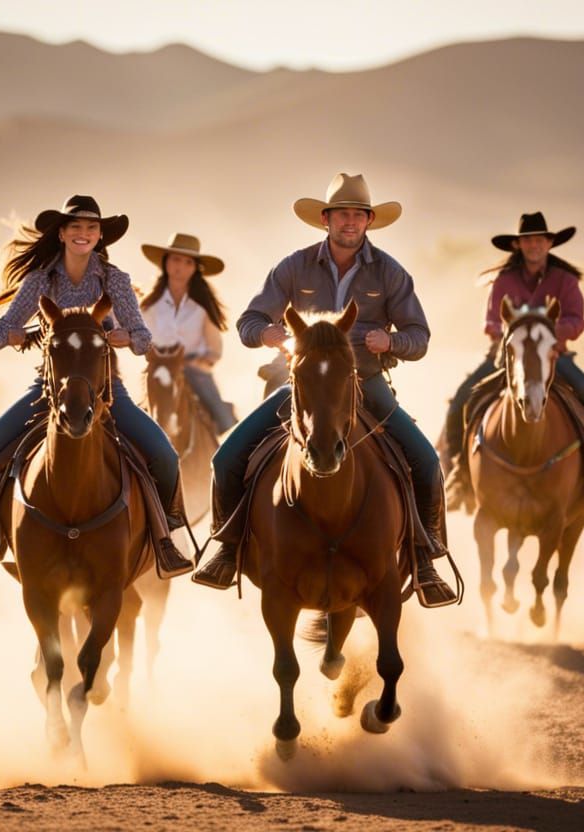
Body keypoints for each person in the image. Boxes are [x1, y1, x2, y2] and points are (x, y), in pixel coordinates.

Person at [192, 173, 457, 606]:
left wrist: (392, 342)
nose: (349, 222)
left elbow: (420, 337)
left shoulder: (390, 273)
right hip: (299, 384)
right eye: (341, 215)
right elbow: (247, 322)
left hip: (365, 382)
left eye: (358, 215)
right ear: (326, 219)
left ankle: (425, 557)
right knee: (227, 458)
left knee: (426, 461)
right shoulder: (293, 266)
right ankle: (227, 546)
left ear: (369, 221)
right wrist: (267, 334)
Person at [0, 195, 194, 580]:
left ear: (99, 236)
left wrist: (126, 336)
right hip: (48, 392)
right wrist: (11, 335)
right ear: (61, 234)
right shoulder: (39, 281)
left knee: (165, 456)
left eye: (91, 228)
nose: (84, 234)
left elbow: (145, 339)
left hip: (108, 390)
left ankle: (168, 538)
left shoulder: (115, 281)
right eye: (76, 227)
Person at [442, 211, 584, 519]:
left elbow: (576, 320)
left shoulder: (565, 280)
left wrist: (547, 338)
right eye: (528, 240)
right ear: (518, 245)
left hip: (553, 354)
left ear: (549, 243)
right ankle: (459, 475)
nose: (534, 245)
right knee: (461, 401)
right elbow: (491, 321)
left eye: (539, 240)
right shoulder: (503, 280)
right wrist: (516, 337)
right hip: (506, 356)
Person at [140, 233, 236, 434]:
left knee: (224, 420)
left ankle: (227, 447)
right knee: (137, 417)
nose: (180, 267)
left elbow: (214, 349)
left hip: (193, 371)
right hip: (158, 368)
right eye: (175, 259)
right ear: (166, 262)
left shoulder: (201, 309)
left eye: (188, 262)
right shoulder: (149, 306)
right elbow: (139, 336)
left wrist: (199, 361)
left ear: (194, 268)